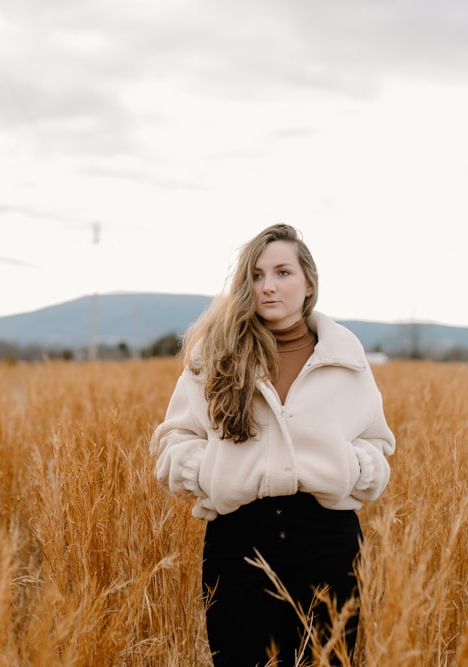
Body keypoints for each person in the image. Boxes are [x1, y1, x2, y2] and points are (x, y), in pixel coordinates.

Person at [150, 223, 395, 666]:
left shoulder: (344, 358)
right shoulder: (215, 355)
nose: (268, 286)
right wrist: (210, 472)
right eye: (257, 275)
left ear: (309, 284)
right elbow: (173, 442)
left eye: (282, 273)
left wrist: (352, 468)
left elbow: (376, 442)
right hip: (239, 541)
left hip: (327, 541)